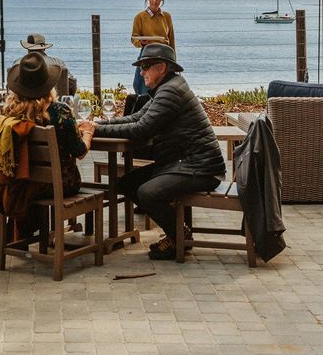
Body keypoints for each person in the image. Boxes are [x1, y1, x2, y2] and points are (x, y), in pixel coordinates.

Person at [79, 44, 224, 261]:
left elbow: (141, 129)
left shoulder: (171, 91)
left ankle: (179, 236)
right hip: (181, 163)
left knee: (147, 192)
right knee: (127, 183)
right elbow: (135, 118)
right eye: (141, 66)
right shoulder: (166, 88)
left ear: (162, 67)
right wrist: (97, 124)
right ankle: (178, 232)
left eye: (146, 66)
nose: (141, 71)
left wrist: (94, 129)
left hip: (200, 167)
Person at [1, 51, 92, 239]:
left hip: (25, 183)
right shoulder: (60, 111)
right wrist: (88, 133)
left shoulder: (10, 114)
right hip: (61, 184)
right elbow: (80, 151)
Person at [130, 0, 175, 98]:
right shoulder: (140, 17)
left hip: (164, 55)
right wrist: (141, 42)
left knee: (162, 87)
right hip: (147, 54)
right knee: (141, 86)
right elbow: (134, 38)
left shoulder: (167, 17)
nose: (154, 1)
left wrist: (174, 61)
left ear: (161, 0)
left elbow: (171, 39)